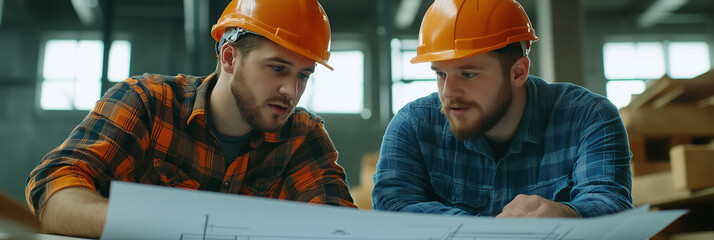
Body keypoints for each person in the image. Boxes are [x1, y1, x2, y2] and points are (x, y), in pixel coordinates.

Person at [25, 0, 355, 237]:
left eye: (304, 75)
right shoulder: (148, 103)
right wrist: (133, 222)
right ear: (229, 57)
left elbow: (339, 225)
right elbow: (53, 185)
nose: (290, 90)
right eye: (278, 68)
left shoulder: (302, 136)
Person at [372, 0, 633, 218]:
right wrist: (487, 231)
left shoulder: (588, 117)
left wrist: (566, 214)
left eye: (468, 74)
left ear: (518, 72)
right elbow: (393, 206)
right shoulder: (412, 126)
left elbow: (611, 203)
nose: (448, 92)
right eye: (441, 74)